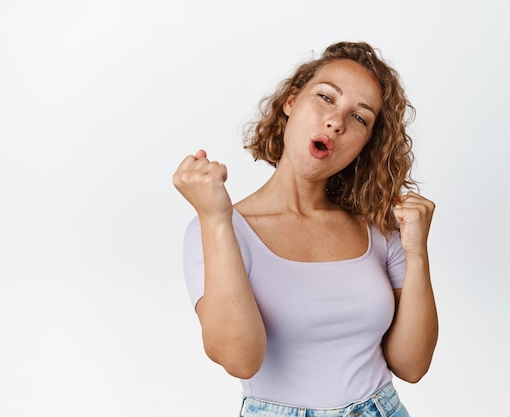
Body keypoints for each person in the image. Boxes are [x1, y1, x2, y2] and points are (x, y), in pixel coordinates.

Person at [172, 41, 437, 417]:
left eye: (359, 118)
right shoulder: (220, 229)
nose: (336, 122)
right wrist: (216, 217)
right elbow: (240, 360)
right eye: (326, 98)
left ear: (366, 143)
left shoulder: (380, 229)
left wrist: (417, 253)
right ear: (291, 102)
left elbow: (412, 366)